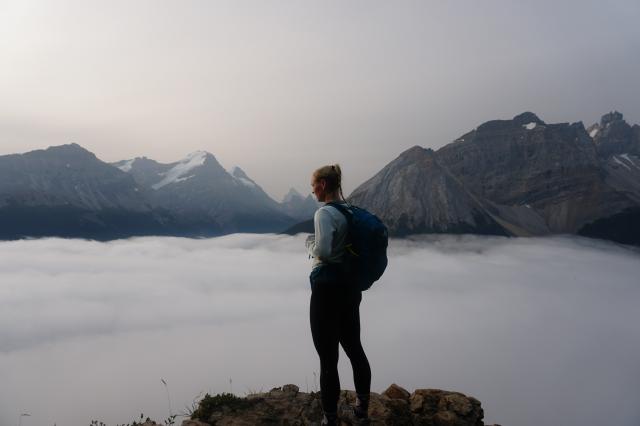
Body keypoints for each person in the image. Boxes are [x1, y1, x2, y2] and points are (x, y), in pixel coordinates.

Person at [305, 164, 371, 425]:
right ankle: (362, 410)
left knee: (328, 358)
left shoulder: (324, 214)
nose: (312, 191)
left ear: (322, 184)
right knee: (355, 348)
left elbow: (323, 251)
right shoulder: (350, 212)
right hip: (349, 288)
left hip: (326, 291)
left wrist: (308, 243)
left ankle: (330, 418)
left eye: (313, 185)